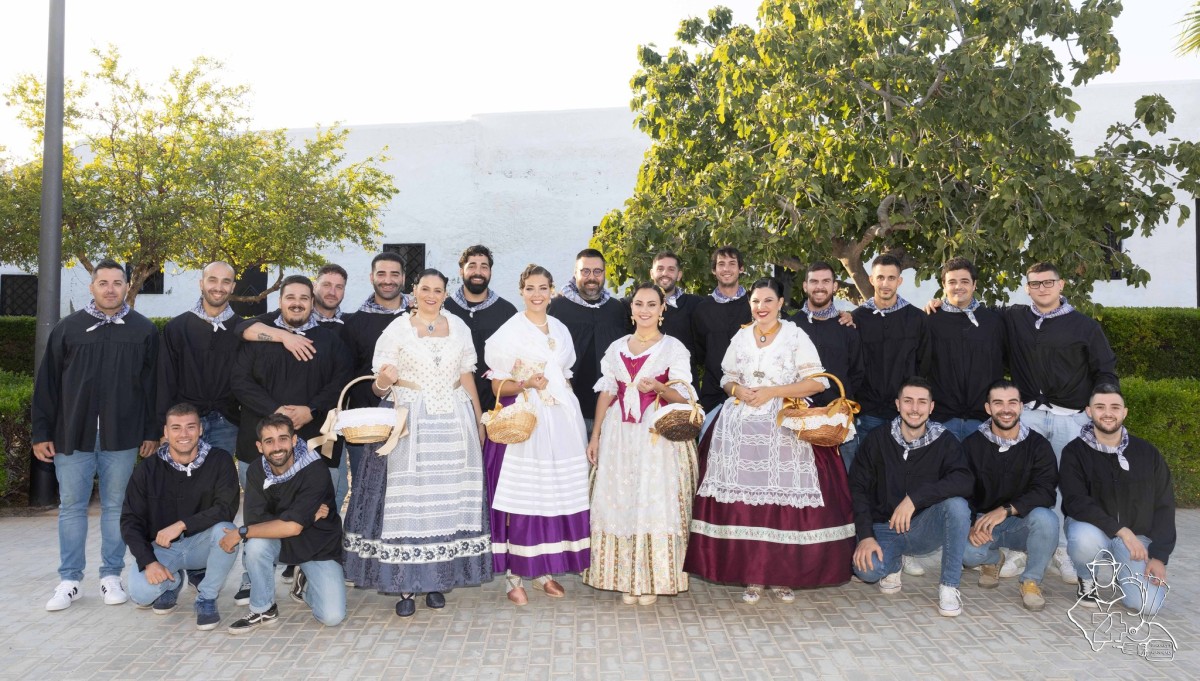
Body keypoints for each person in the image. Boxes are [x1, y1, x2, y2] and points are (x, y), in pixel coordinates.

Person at [685, 277, 855, 605]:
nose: (760, 307)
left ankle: (781, 575)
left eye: (767, 301)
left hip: (783, 427)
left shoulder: (794, 335)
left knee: (780, 507)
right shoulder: (741, 335)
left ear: (780, 304)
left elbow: (817, 382)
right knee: (745, 507)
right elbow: (726, 377)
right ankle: (752, 574)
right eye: (755, 301)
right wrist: (737, 391)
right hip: (739, 429)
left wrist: (772, 393)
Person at [342, 269, 493, 618]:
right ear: (414, 292)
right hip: (410, 422)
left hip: (453, 423)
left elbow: (466, 376)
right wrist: (384, 380)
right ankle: (406, 584)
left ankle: (437, 580)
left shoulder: (458, 327)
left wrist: (477, 418)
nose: (431, 295)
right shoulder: (396, 329)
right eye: (425, 288)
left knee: (447, 499)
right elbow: (378, 388)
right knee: (410, 502)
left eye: (437, 290)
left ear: (445, 294)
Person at [33, 258, 160, 611]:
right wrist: (41, 431)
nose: (109, 289)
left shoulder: (143, 331)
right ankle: (70, 580)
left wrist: (151, 430)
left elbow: (153, 387)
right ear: (92, 287)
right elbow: (47, 385)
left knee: (116, 507)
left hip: (122, 437)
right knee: (71, 507)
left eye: (116, 283)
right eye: (102, 282)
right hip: (72, 434)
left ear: (126, 287)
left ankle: (110, 576)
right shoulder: (68, 329)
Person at [229, 275, 352, 601]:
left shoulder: (330, 341)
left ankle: (311, 573)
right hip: (261, 442)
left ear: (313, 302)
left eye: (303, 297)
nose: (297, 303)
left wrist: (311, 409)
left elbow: (341, 382)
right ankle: (251, 577)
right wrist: (275, 413)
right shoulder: (258, 336)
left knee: (321, 510)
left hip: (318, 442)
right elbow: (239, 382)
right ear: (280, 301)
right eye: (290, 297)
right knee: (257, 513)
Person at [583, 282, 699, 605]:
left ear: (663, 309)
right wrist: (595, 435)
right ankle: (623, 576)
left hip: (655, 435)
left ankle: (651, 579)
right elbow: (607, 392)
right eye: (638, 304)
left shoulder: (673, 348)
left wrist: (659, 388)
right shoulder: (617, 347)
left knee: (651, 498)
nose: (644, 310)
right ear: (631, 309)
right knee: (620, 497)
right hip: (619, 433)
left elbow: (685, 395)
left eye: (652, 304)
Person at [1005, 263, 1119, 586]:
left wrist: (1100, 405)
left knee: (1066, 485)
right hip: (1029, 416)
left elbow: (1106, 370)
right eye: (1035, 283)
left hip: (1072, 418)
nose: (1042, 288)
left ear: (1061, 284)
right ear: (1027, 287)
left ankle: (1064, 551)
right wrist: (938, 305)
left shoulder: (1084, 326)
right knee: (1026, 481)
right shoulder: (1015, 319)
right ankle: (1023, 548)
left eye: (1048, 282)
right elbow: (978, 321)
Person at [484, 264, 591, 605]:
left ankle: (544, 570)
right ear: (521, 291)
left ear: (552, 290)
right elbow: (496, 383)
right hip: (526, 418)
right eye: (530, 288)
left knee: (552, 493)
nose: (537, 294)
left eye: (543, 287)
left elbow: (566, 375)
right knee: (522, 496)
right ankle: (514, 576)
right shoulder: (509, 332)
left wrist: (571, 415)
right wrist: (526, 383)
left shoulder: (560, 329)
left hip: (560, 420)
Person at [849, 377, 973, 617]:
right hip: (883, 528)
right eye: (908, 401)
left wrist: (915, 499)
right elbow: (858, 488)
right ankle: (893, 564)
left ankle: (949, 586)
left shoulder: (944, 441)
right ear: (897, 404)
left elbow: (964, 480)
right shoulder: (877, 439)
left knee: (957, 505)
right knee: (867, 570)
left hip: (922, 528)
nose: (915, 409)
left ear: (931, 407)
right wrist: (865, 536)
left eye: (921, 402)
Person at [221, 414, 346, 632]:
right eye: (269, 441)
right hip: (279, 540)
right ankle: (263, 609)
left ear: (294, 440)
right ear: (260, 446)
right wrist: (302, 515)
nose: (277, 447)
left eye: (283, 439)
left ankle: (304, 584)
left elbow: (293, 527)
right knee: (256, 544)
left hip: (317, 546)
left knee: (332, 616)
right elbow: (256, 521)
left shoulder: (315, 468)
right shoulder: (256, 471)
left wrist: (241, 531)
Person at [120, 403, 241, 629]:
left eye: (190, 427)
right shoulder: (147, 470)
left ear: (201, 430)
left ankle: (206, 597)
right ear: (165, 432)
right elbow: (130, 521)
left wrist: (182, 525)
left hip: (201, 544)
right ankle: (172, 582)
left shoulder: (220, 460)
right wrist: (149, 562)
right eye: (176, 428)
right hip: (163, 548)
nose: (183, 434)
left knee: (226, 531)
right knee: (141, 594)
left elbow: (225, 508)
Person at [1061, 385, 1175, 615]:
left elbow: (1164, 504)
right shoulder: (1074, 452)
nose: (1108, 413)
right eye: (1100, 407)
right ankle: (1086, 579)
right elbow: (1075, 501)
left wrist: (1159, 556)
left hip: (1136, 540)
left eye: (1115, 407)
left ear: (1125, 412)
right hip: (1094, 530)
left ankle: (1122, 573)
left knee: (1149, 605)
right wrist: (1121, 530)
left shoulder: (1147, 453)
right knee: (1084, 540)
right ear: (1089, 411)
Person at [960, 381, 1059, 612]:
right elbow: (960, 491)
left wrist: (1007, 509)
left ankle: (1031, 581)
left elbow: (1046, 491)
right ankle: (993, 560)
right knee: (966, 554)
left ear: (1021, 407)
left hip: (1020, 522)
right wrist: (970, 525)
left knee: (1047, 520)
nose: (1006, 409)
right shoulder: (971, 446)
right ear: (988, 408)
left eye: (1012, 403)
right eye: (998, 403)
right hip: (984, 524)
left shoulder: (1038, 445)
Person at [339, 252, 410, 508]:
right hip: (368, 423)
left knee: (406, 494)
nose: (388, 280)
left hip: (412, 419)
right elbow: (346, 374)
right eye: (381, 274)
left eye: (394, 274)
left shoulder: (418, 317)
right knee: (366, 494)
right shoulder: (355, 323)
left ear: (403, 277)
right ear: (371, 277)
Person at [157, 261, 243, 456]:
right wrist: (163, 427)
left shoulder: (242, 330)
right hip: (185, 424)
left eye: (226, 281)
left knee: (220, 482)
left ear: (233, 287)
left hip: (226, 424)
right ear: (201, 283)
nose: (218, 288)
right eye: (212, 280)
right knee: (182, 484)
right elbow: (165, 381)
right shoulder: (177, 329)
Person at [786, 261, 864, 471]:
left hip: (839, 420)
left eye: (825, 281)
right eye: (814, 281)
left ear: (835, 286)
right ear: (805, 286)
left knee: (846, 483)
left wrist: (843, 405)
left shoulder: (847, 327)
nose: (819, 287)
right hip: (799, 419)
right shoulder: (790, 326)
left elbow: (857, 372)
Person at [547, 248, 629, 433]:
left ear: (604, 274)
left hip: (610, 410)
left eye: (597, 272)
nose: (591, 277)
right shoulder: (557, 308)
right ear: (575, 273)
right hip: (567, 410)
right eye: (585, 271)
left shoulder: (616, 309)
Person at [923, 258, 1005, 442]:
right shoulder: (929, 321)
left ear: (974, 285)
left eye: (965, 281)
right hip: (941, 420)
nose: (958, 286)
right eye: (952, 282)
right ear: (943, 285)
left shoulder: (993, 322)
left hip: (983, 421)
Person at [850, 254, 930, 437]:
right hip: (867, 414)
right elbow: (853, 365)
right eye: (880, 277)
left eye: (891, 278)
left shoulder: (917, 319)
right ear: (871, 280)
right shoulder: (856, 319)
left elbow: (924, 364)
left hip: (905, 414)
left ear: (899, 281)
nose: (885, 283)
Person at [444, 244, 518, 412]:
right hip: (451, 405)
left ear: (490, 272)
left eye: (484, 267)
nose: (478, 272)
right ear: (461, 271)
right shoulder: (444, 310)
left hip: (497, 406)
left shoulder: (507, 312)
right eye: (472, 266)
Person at [690, 247, 752, 437]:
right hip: (713, 396)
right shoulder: (702, 310)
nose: (726, 269)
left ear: (741, 268)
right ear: (714, 270)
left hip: (751, 395)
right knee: (709, 456)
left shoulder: (755, 304)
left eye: (732, 264)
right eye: (721, 264)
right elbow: (700, 353)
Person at [646, 251, 701, 365]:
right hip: (646, 379)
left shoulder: (696, 304)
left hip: (684, 379)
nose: (665, 273)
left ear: (679, 275)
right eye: (660, 269)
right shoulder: (635, 305)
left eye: (671, 269)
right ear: (652, 273)